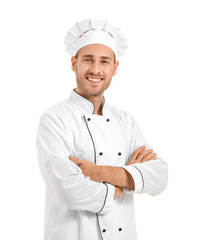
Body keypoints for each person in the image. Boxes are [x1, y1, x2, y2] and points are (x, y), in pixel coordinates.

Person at [36, 18, 168, 240]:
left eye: (104, 61)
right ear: (74, 63)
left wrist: (97, 173)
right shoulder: (54, 120)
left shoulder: (126, 121)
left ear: (115, 68)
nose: (96, 69)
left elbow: (160, 176)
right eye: (88, 60)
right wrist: (130, 178)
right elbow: (69, 192)